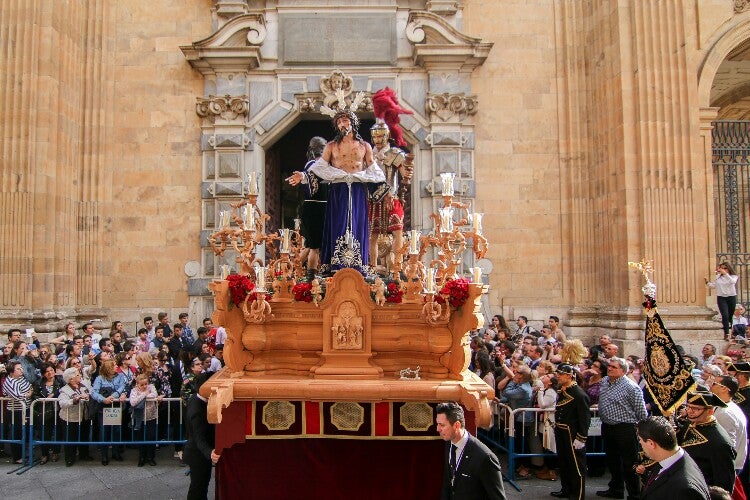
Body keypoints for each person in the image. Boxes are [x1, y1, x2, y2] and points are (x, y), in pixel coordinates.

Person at [286, 108, 386, 272]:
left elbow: (373, 171)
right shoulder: (331, 146)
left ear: (353, 122)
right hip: (338, 189)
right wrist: (303, 177)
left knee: (357, 222)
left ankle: (359, 265)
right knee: (338, 223)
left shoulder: (365, 146)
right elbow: (318, 169)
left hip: (358, 189)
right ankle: (335, 265)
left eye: (345, 120)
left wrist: (384, 191)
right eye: (339, 122)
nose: (341, 124)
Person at [596, 356, 648, 500]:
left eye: (614, 367)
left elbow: (641, 411)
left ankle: (634, 495)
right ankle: (616, 489)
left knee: (629, 463)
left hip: (625, 428)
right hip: (608, 426)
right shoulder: (605, 381)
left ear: (623, 371)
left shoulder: (631, 387)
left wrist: (641, 429)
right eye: (609, 366)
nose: (610, 368)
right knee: (612, 460)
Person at [435, 401, 506, 500]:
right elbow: (448, 484)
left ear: (456, 425)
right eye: (437, 424)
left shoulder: (485, 458)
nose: (438, 429)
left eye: (442, 425)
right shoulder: (449, 443)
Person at [368, 117, 412, 273]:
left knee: (397, 231)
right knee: (372, 235)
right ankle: (372, 267)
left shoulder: (394, 153)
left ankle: (396, 265)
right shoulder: (368, 154)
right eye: (374, 136)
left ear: (386, 136)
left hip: (392, 197)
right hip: (373, 199)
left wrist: (407, 173)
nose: (377, 140)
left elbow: (404, 174)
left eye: (380, 136)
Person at [637, 416, 710, 499]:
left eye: (640, 440)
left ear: (651, 443)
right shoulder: (667, 460)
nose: (640, 444)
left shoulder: (685, 490)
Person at [678, 391, 737, 494]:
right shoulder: (692, 423)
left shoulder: (720, 443)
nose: (690, 411)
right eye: (688, 407)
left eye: (696, 409)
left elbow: (724, 485)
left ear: (710, 411)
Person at [551, 364, 590, 500]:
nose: (558, 377)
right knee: (564, 463)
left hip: (572, 433)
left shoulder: (578, 394)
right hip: (562, 431)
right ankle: (566, 489)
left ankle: (577, 495)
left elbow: (584, 418)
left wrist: (581, 437)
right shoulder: (564, 390)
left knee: (576, 466)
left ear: (569, 376)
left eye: (561, 374)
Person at [184, 372, 220, 500]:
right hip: (197, 454)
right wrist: (209, 452)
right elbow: (198, 437)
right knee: (198, 487)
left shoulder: (196, 398)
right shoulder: (197, 410)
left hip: (199, 453)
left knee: (202, 486)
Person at [58, 367, 92, 466]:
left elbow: (90, 394)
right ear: (71, 379)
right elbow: (62, 403)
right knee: (70, 438)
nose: (80, 376)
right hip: (70, 418)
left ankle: (84, 454)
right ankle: (69, 458)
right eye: (77, 375)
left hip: (83, 416)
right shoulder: (64, 390)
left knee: (84, 436)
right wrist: (74, 400)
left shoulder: (83, 386)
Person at [2, 360, 33, 463]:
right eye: (18, 369)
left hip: (26, 408)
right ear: (11, 371)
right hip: (16, 411)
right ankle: (17, 457)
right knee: (17, 433)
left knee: (26, 431)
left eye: (21, 368)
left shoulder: (21, 378)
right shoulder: (9, 381)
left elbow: (30, 388)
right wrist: (27, 394)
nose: (21, 370)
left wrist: (28, 393)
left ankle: (26, 454)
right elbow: (18, 396)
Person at [706, 262, 740, 340]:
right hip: (721, 297)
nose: (723, 270)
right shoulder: (718, 277)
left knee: (730, 315)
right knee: (725, 315)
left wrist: (726, 274)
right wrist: (707, 282)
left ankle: (731, 331)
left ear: (728, 269)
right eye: (722, 268)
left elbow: (733, 282)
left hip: (731, 297)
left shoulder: (733, 276)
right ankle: (726, 333)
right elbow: (714, 285)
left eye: (725, 268)